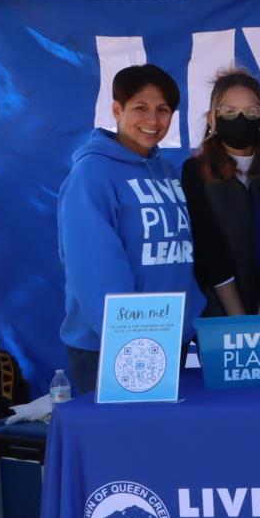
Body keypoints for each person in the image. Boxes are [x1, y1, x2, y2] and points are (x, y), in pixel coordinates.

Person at [57, 64, 206, 395]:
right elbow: (93, 270)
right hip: (113, 347)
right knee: (116, 445)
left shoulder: (165, 170)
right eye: (141, 108)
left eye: (163, 110)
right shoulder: (92, 174)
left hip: (167, 339)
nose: (152, 120)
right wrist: (130, 341)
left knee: (159, 443)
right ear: (116, 109)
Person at [180, 69, 260, 321]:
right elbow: (208, 248)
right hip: (219, 315)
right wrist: (239, 321)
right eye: (228, 112)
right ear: (212, 118)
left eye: (251, 111)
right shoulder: (195, 171)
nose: (240, 118)